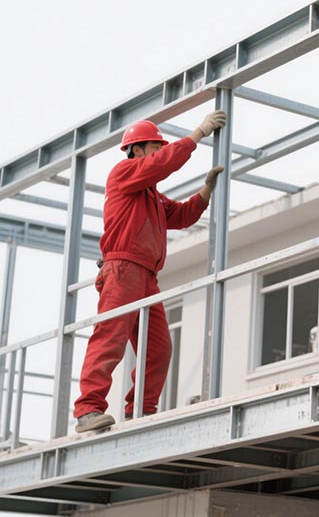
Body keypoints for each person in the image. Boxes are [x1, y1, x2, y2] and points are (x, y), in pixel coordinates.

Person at [73, 111, 228, 433]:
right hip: (122, 270)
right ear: (138, 150)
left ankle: (140, 411)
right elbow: (164, 164)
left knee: (158, 347)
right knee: (110, 338)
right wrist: (198, 133)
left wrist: (206, 192)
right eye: (155, 146)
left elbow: (181, 216)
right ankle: (88, 410)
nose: (159, 152)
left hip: (145, 277)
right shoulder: (124, 173)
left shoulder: (151, 195)